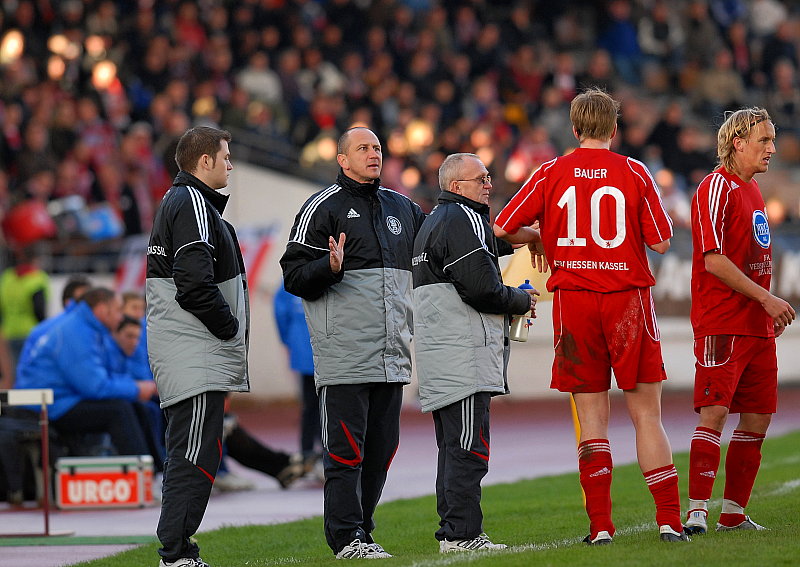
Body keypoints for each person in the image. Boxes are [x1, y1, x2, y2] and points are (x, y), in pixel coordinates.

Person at [493, 88, 688, 544]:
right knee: (646, 415)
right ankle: (669, 522)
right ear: (614, 130)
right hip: (627, 301)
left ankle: (601, 527)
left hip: (575, 303)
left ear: (575, 128)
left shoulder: (550, 172)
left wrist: (539, 237)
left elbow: (502, 227)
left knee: (592, 418)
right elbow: (660, 241)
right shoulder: (635, 171)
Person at [280, 126, 426, 559]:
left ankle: (363, 531)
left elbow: (442, 246)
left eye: (378, 147)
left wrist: (504, 243)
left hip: (392, 354)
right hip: (344, 355)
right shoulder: (321, 206)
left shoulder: (402, 207)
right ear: (342, 159)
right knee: (346, 453)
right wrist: (329, 265)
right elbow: (292, 276)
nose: (374, 154)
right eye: (363, 148)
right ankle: (346, 539)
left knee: (382, 451)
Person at [412, 153, 537, 553]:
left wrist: (525, 237)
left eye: (488, 175)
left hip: (444, 354)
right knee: (468, 449)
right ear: (455, 186)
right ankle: (462, 533)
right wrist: (519, 299)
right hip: (462, 354)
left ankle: (455, 530)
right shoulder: (462, 219)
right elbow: (481, 287)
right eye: (480, 178)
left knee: (453, 448)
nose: (488, 183)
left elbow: (484, 248)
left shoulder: (440, 220)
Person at [684, 107, 795, 535]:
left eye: (772, 140)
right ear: (738, 143)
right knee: (714, 412)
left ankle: (732, 513)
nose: (771, 148)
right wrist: (767, 299)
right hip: (723, 323)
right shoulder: (716, 187)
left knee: (758, 417)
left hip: (756, 324)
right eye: (764, 141)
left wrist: (767, 310)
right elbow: (713, 260)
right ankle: (696, 512)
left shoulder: (752, 191)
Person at [146, 126, 250, 567]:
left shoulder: (190, 203)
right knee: (193, 455)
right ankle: (176, 553)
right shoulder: (190, 202)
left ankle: (179, 550)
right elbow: (194, 286)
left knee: (196, 452)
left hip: (193, 352)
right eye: (225, 156)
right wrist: (229, 330)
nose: (230, 164)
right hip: (196, 351)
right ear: (203, 160)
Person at [14, 287, 156, 456]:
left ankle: (155, 468)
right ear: (103, 309)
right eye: (118, 310)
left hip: (62, 399)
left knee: (135, 406)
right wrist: (137, 389)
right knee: (119, 410)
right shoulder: (76, 332)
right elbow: (95, 387)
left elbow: (103, 376)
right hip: (46, 406)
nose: (121, 317)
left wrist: (136, 387)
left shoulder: (90, 329)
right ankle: (141, 473)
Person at [273, 279, 321, 470]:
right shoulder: (330, 272)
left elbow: (280, 313)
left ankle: (306, 452)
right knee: (331, 405)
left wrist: (289, 340)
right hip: (329, 353)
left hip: (303, 351)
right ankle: (327, 452)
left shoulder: (289, 280)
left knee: (310, 405)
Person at [0, 248, 50, 369]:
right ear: (35, 260)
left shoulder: (7, 277)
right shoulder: (37, 278)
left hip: (10, 331)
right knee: (32, 369)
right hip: (31, 331)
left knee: (16, 368)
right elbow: (39, 309)